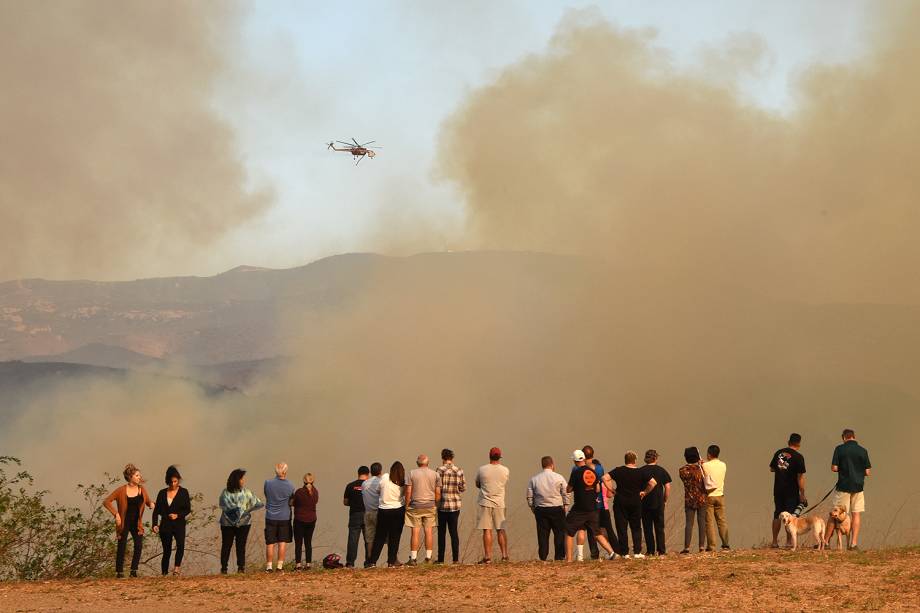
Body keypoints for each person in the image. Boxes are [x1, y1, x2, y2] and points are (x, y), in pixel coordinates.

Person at [103, 464, 154, 578]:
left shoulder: (142, 489)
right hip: (124, 522)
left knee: (139, 545)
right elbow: (106, 502)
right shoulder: (121, 490)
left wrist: (151, 504)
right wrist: (116, 514)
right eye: (137, 475)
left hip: (136, 523)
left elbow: (148, 501)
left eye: (139, 475)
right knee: (122, 545)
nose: (139, 477)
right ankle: (119, 572)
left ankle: (133, 571)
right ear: (130, 477)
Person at [603, 451, 656, 559]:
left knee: (622, 527)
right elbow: (653, 483)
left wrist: (611, 489)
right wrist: (645, 492)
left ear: (625, 460)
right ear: (635, 460)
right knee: (636, 527)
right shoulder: (641, 472)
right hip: (636, 502)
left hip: (620, 502)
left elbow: (604, 478)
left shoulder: (618, 470)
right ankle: (637, 552)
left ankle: (624, 553)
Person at [566, 450, 616, 561]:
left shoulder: (575, 472)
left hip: (579, 508)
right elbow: (597, 488)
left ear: (575, 461)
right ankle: (612, 552)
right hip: (593, 507)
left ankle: (569, 559)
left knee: (569, 531)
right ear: (583, 458)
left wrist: (577, 487)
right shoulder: (593, 471)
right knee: (597, 533)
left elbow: (568, 489)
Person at [827, 429, 871, 550]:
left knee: (835, 514)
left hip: (843, 486)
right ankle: (853, 544)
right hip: (858, 487)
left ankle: (826, 542)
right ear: (854, 437)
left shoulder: (839, 449)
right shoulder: (863, 451)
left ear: (843, 438)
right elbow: (868, 472)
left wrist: (844, 469)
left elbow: (834, 468)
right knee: (856, 514)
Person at [219, 468, 265, 574]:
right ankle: (228, 568)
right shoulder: (228, 493)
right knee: (228, 545)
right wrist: (244, 511)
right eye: (242, 478)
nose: (243, 480)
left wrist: (245, 510)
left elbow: (258, 503)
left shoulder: (244, 492)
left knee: (236, 545)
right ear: (236, 480)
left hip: (237, 523)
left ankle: (237, 568)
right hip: (233, 524)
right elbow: (224, 506)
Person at [151, 465, 191, 576]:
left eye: (175, 481)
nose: (173, 484)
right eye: (171, 482)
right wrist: (154, 524)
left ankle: (176, 569)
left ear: (178, 480)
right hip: (165, 525)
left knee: (181, 545)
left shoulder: (184, 492)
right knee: (167, 550)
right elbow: (156, 511)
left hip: (179, 524)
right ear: (167, 481)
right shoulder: (162, 493)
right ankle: (164, 573)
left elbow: (187, 509)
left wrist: (177, 515)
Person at [527, 455, 568, 561]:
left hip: (541, 509)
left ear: (542, 465)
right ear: (552, 464)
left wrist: (533, 508)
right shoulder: (559, 477)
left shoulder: (534, 479)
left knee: (543, 535)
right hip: (557, 508)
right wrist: (566, 505)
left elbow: (529, 496)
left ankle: (543, 557)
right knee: (559, 534)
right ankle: (559, 557)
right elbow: (565, 492)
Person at [579, 445, 617, 559]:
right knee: (606, 529)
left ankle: (594, 554)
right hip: (600, 503)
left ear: (582, 456)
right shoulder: (599, 468)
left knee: (590, 530)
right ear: (593, 454)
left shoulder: (579, 469)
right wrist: (611, 489)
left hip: (587, 504)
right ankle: (615, 550)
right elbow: (600, 486)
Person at [769, 433, 806, 548]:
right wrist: (802, 494)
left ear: (788, 441)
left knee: (777, 514)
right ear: (799, 444)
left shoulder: (778, 453)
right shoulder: (799, 457)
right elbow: (800, 477)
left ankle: (774, 542)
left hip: (778, 489)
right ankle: (789, 542)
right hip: (791, 491)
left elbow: (771, 468)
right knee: (790, 516)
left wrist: (782, 469)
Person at [368, 461, 407, 567]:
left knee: (380, 537)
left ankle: (372, 562)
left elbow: (378, 490)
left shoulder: (385, 477)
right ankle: (391, 561)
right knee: (395, 537)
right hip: (398, 510)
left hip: (384, 510)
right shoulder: (403, 483)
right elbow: (403, 496)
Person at [475, 447, 510, 563]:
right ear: (500, 457)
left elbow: (477, 484)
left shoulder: (482, 469)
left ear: (489, 456)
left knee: (487, 530)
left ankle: (488, 557)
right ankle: (505, 555)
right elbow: (504, 483)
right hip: (500, 503)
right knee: (501, 529)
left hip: (485, 502)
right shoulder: (505, 470)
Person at [405, 454, 442, 565]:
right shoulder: (435, 474)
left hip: (415, 506)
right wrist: (436, 505)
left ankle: (413, 558)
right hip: (430, 506)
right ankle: (428, 558)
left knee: (415, 532)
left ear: (417, 463)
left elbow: (408, 492)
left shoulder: (411, 473)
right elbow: (438, 493)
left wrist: (406, 505)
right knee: (428, 531)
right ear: (428, 463)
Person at [639, 450, 672, 556]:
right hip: (658, 503)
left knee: (647, 527)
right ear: (655, 458)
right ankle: (661, 550)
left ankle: (650, 550)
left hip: (645, 503)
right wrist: (665, 500)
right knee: (659, 527)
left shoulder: (641, 470)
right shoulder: (661, 470)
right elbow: (667, 487)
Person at [263, 462, 295, 572]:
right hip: (284, 517)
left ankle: (269, 567)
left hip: (270, 516)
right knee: (282, 542)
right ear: (285, 472)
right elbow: (291, 500)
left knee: (270, 543)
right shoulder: (291, 485)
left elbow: (266, 496)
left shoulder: (267, 483)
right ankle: (279, 566)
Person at [436, 449, 465, 564]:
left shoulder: (439, 470)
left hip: (442, 505)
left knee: (441, 533)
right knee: (454, 533)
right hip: (454, 506)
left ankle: (441, 560)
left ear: (442, 457)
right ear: (452, 458)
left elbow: (436, 487)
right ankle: (455, 559)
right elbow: (463, 487)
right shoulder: (459, 470)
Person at [678, 447, 708, 554]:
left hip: (689, 499)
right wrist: (701, 464)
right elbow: (706, 477)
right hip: (702, 498)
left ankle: (687, 547)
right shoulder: (701, 469)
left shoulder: (682, 470)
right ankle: (701, 547)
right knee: (702, 522)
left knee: (689, 523)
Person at [702, 444, 729, 551]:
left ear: (709, 454)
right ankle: (726, 544)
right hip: (720, 495)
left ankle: (711, 546)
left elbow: (704, 475)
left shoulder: (705, 466)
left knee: (709, 522)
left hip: (709, 496)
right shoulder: (723, 465)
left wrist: (702, 464)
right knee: (721, 521)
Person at [343, 466, 369, 568]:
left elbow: (345, 502)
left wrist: (353, 503)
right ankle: (369, 562)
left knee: (353, 539)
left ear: (358, 473)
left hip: (354, 514)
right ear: (368, 474)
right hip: (368, 514)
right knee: (368, 539)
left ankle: (350, 563)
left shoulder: (350, 485)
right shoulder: (370, 486)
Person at [292, 473, 318, 570]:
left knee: (298, 543)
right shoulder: (315, 492)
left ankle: (298, 565)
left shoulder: (299, 492)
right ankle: (308, 564)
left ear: (303, 481)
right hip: (311, 520)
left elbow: (293, 503)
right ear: (313, 481)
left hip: (299, 519)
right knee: (308, 542)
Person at [362, 462, 383, 567]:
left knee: (369, 538)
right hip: (378, 512)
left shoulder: (364, 484)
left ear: (370, 471)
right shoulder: (381, 482)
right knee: (383, 537)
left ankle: (370, 560)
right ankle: (392, 558)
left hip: (367, 513)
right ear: (380, 471)